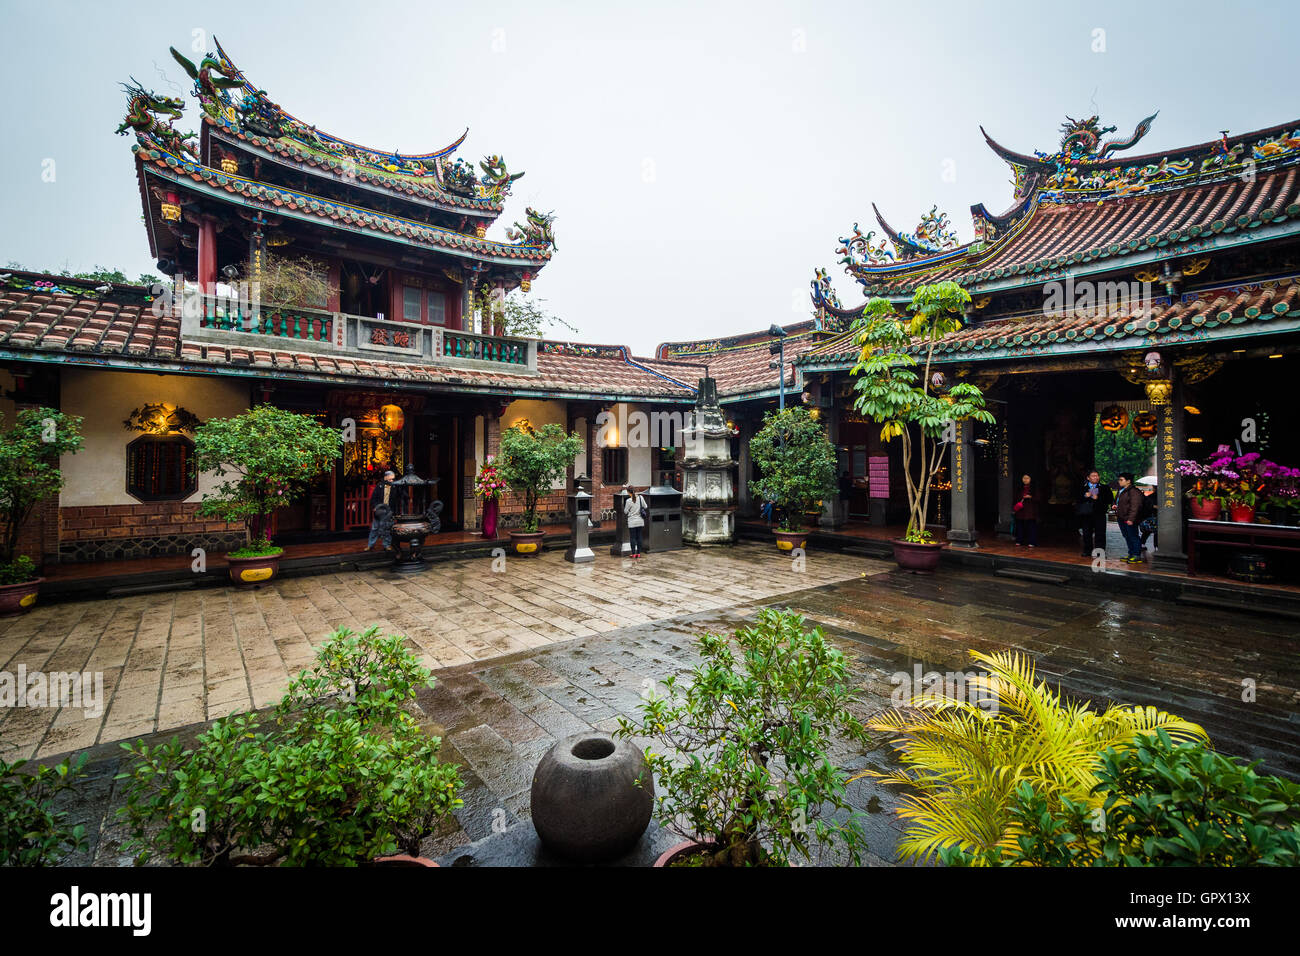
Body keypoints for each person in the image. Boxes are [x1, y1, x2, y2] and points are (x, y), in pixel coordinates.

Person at [1077, 469, 1115, 556]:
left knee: (1100, 533)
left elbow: (1109, 499)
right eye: (1093, 476)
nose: (1096, 477)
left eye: (1097, 475)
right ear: (1088, 478)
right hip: (1086, 514)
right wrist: (1085, 496)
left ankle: (1099, 551)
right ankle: (1087, 550)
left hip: (1099, 514)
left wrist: (1098, 498)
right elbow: (1077, 499)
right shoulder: (1083, 487)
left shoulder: (1104, 487)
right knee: (1086, 533)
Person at [1114, 472, 1145, 563]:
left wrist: (1131, 519)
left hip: (1129, 518)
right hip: (1122, 517)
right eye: (1119, 479)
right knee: (1127, 536)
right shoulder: (1122, 490)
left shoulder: (1134, 491)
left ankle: (1136, 555)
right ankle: (1131, 553)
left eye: (1121, 480)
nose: (1119, 481)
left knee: (1133, 536)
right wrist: (1115, 505)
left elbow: (1135, 506)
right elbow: (1118, 502)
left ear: (1128, 481)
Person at [366, 470, 396, 551]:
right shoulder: (379, 486)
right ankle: (370, 545)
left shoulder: (394, 487)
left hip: (389, 511)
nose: (392, 481)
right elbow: (373, 498)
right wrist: (375, 507)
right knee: (375, 528)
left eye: (393, 479)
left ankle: (387, 545)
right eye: (390, 479)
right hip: (380, 510)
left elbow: (397, 499)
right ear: (385, 477)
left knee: (388, 528)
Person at [1013, 474, 1039, 547]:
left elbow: (1038, 498)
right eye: (1024, 478)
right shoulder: (1019, 487)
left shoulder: (1034, 487)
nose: (1025, 480)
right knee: (1020, 526)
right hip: (1021, 510)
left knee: (1031, 526)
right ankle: (1019, 540)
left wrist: (1030, 497)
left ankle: (1032, 542)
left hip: (1030, 511)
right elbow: (1015, 498)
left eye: (1027, 478)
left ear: (1030, 479)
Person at [624, 484, 646, 560]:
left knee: (632, 538)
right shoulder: (640, 498)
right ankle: (639, 553)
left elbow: (625, 511)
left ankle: (633, 554)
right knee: (639, 536)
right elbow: (645, 506)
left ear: (628, 492)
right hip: (640, 521)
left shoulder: (628, 501)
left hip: (632, 522)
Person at [1137, 478, 1158, 551]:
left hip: (1150, 516)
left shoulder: (1151, 496)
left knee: (1149, 530)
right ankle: (1156, 546)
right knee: (1155, 531)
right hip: (1153, 515)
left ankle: (1142, 543)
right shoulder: (1154, 496)